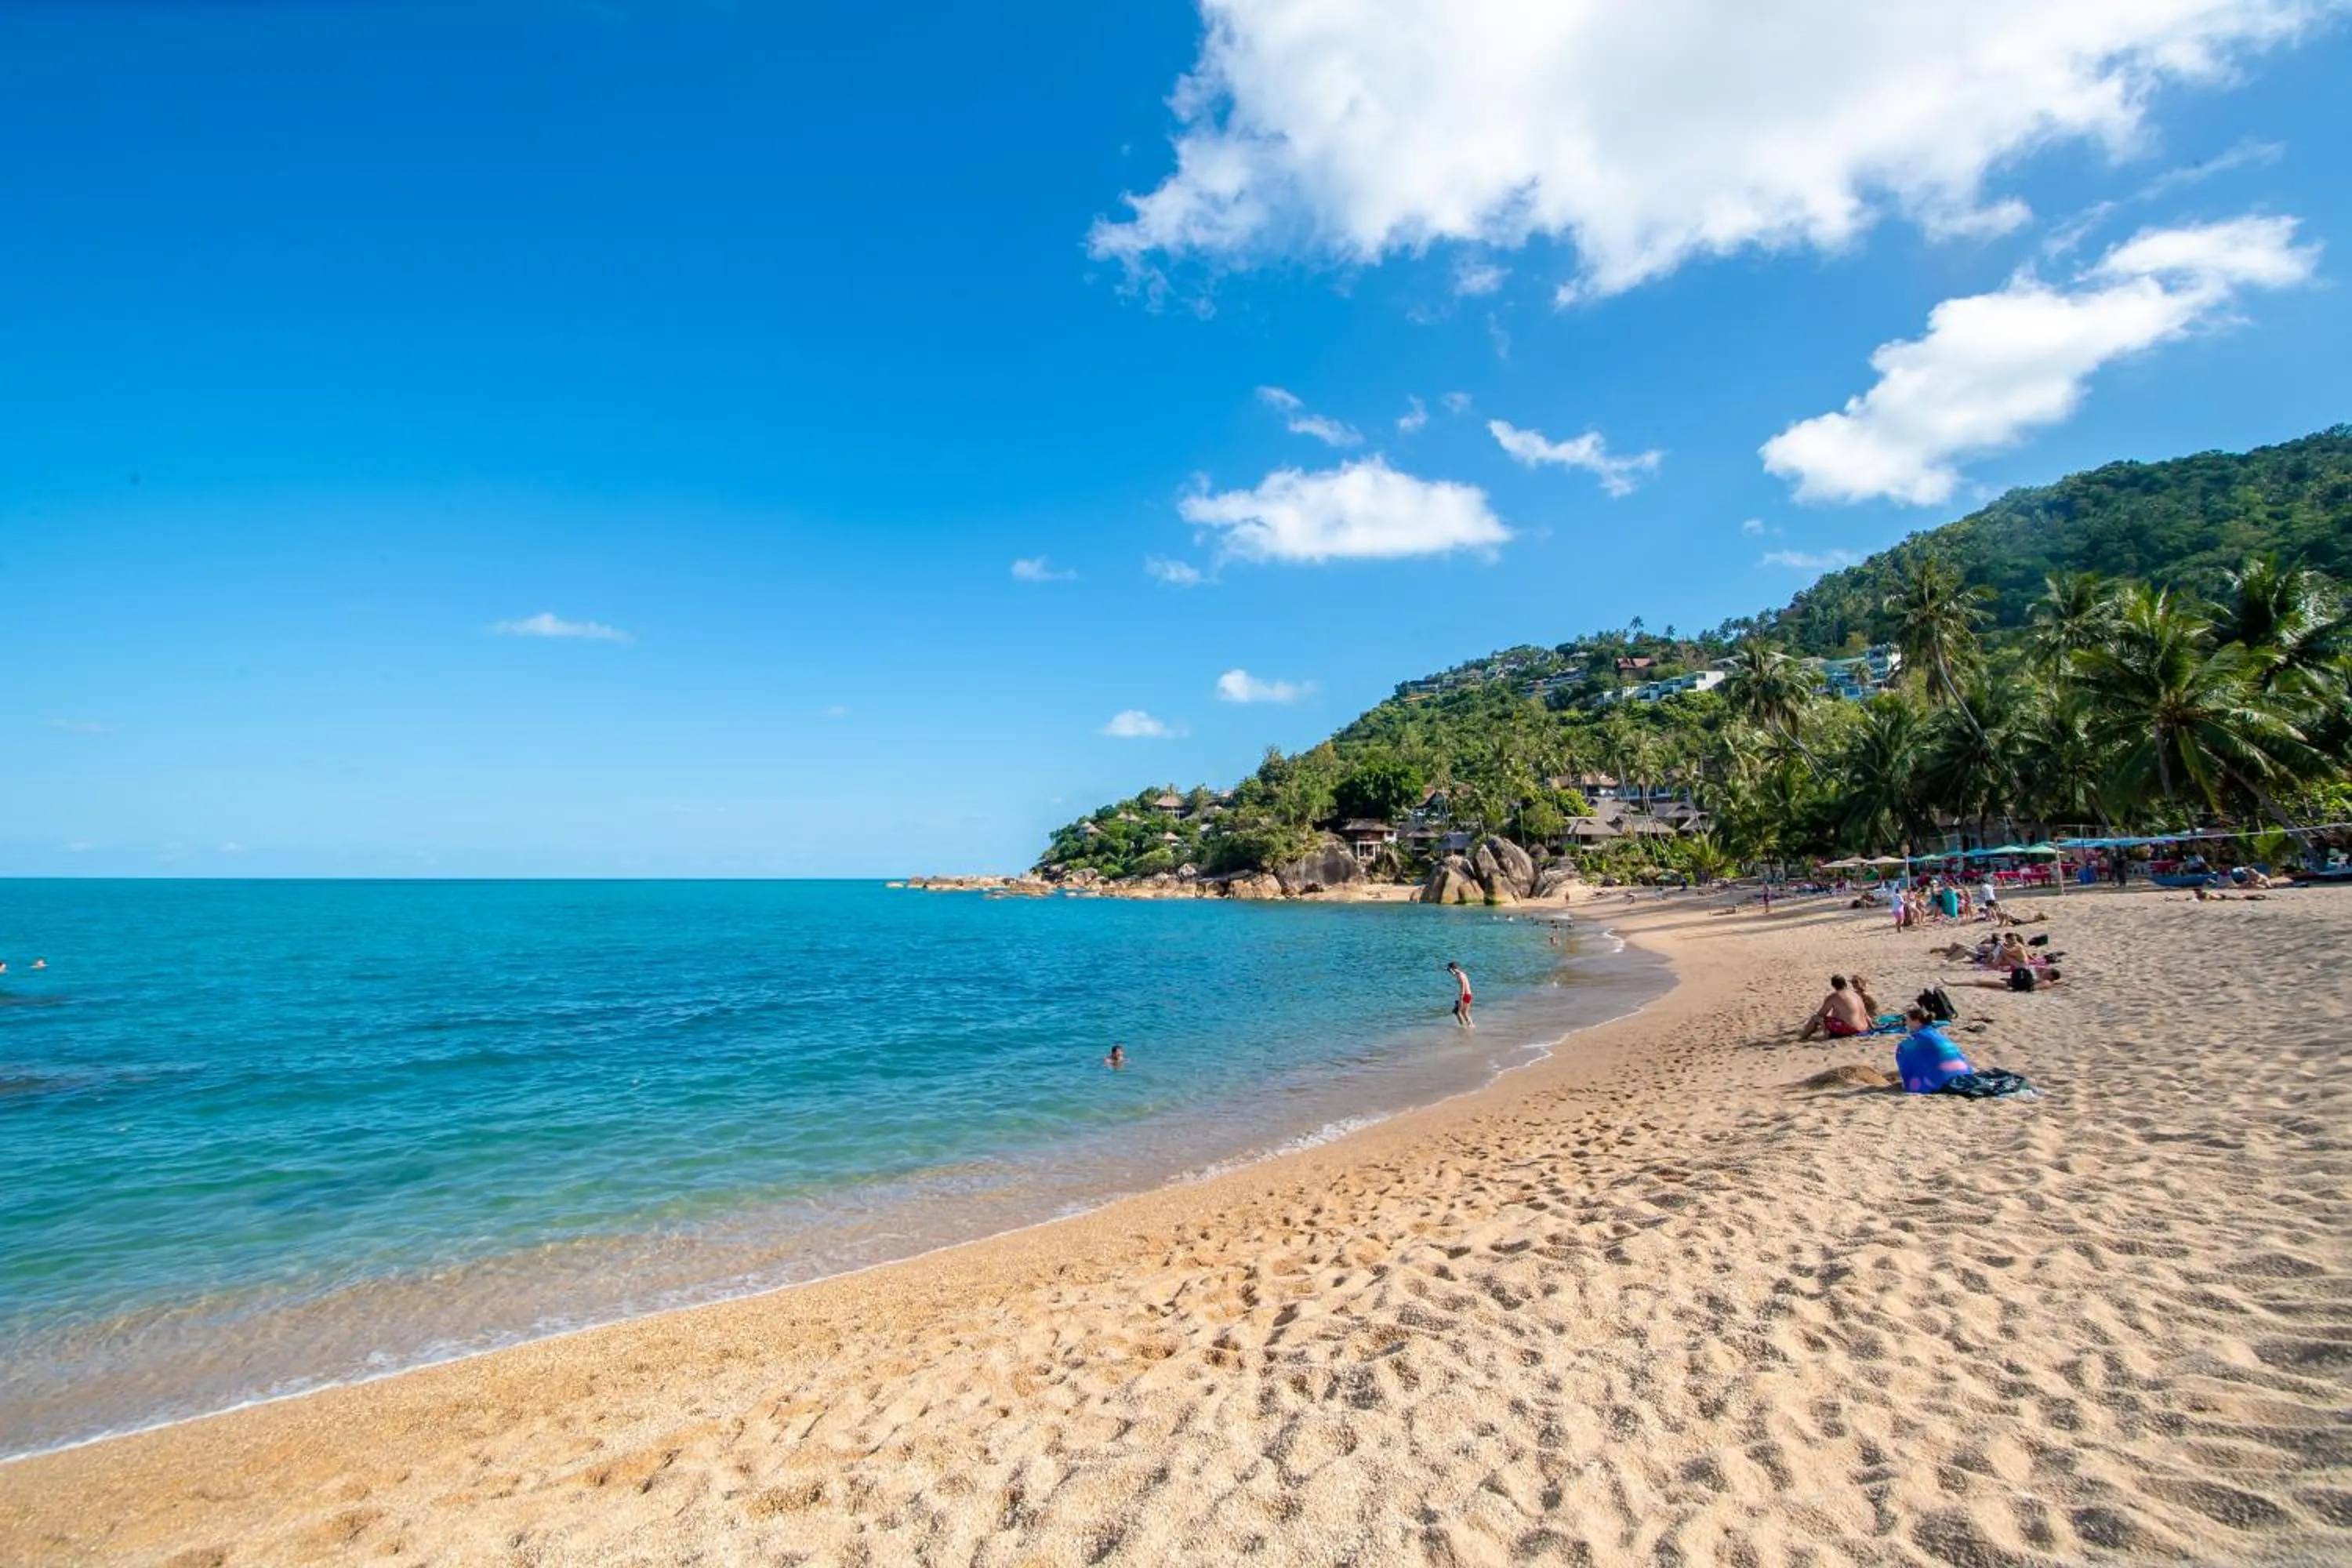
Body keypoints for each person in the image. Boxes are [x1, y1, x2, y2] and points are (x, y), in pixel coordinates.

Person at [1895, 1006, 1974, 1094]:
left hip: (1942, 1080)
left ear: (1917, 1021)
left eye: (1908, 1019)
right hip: (1964, 1073)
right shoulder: (1936, 1033)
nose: (1906, 1022)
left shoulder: (1919, 1038)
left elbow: (1902, 1053)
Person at [1798, 975, 1872, 1040]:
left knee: (1815, 1018)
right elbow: (1865, 1015)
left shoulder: (1834, 996)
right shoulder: (1855, 995)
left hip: (1851, 1029)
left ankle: (1802, 1038)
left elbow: (1821, 1014)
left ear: (1833, 986)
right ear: (1845, 984)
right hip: (1864, 1027)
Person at [1446, 961, 1474, 1027]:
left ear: (1452, 968)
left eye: (1450, 969)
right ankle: (1471, 1025)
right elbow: (1455, 974)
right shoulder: (1461, 974)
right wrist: (1450, 971)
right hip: (1469, 995)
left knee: (1458, 1012)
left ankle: (1463, 1027)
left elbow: (1463, 986)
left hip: (1464, 995)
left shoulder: (1460, 976)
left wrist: (1461, 998)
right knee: (1465, 1013)